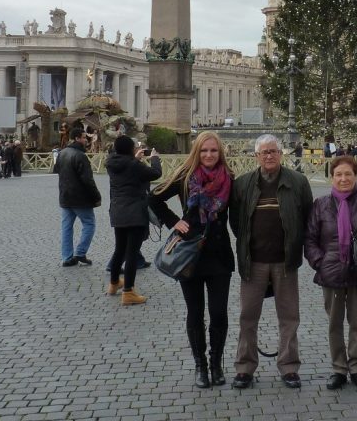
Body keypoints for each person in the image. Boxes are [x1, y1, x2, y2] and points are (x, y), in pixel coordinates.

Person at [228, 134, 313, 389]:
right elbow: (236, 222)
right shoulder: (243, 184)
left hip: (285, 262)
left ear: (281, 154)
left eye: (273, 151)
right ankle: (244, 367)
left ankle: (288, 367)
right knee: (247, 316)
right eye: (264, 152)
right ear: (256, 156)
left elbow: (308, 216)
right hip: (252, 261)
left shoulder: (297, 182)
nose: (269, 156)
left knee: (289, 316)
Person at [151, 132, 233, 387]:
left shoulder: (229, 179)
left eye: (214, 151)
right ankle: (201, 366)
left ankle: (216, 363)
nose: (209, 155)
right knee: (195, 313)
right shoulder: (186, 177)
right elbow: (153, 197)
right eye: (205, 150)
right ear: (197, 151)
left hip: (219, 255)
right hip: (190, 255)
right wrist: (175, 221)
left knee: (218, 313)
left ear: (220, 153)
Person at [304, 155, 357, 390]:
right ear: (332, 177)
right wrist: (320, 262)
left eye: (348, 174)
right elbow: (309, 239)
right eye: (338, 174)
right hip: (331, 272)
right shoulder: (320, 204)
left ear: (355, 176)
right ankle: (339, 368)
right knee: (334, 323)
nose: (343, 179)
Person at [104, 136, 162, 306]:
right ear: (130, 149)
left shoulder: (111, 163)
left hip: (118, 211)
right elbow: (155, 174)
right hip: (135, 213)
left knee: (119, 250)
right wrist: (154, 159)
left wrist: (135, 160)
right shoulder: (134, 165)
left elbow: (127, 170)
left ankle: (114, 283)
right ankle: (128, 291)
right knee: (131, 253)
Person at [54, 126, 102, 266]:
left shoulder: (62, 153)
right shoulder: (80, 156)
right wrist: (96, 196)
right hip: (80, 198)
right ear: (76, 138)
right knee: (89, 224)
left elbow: (57, 171)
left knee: (66, 227)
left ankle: (67, 257)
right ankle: (80, 252)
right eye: (83, 137)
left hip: (65, 196)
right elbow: (88, 180)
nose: (85, 140)